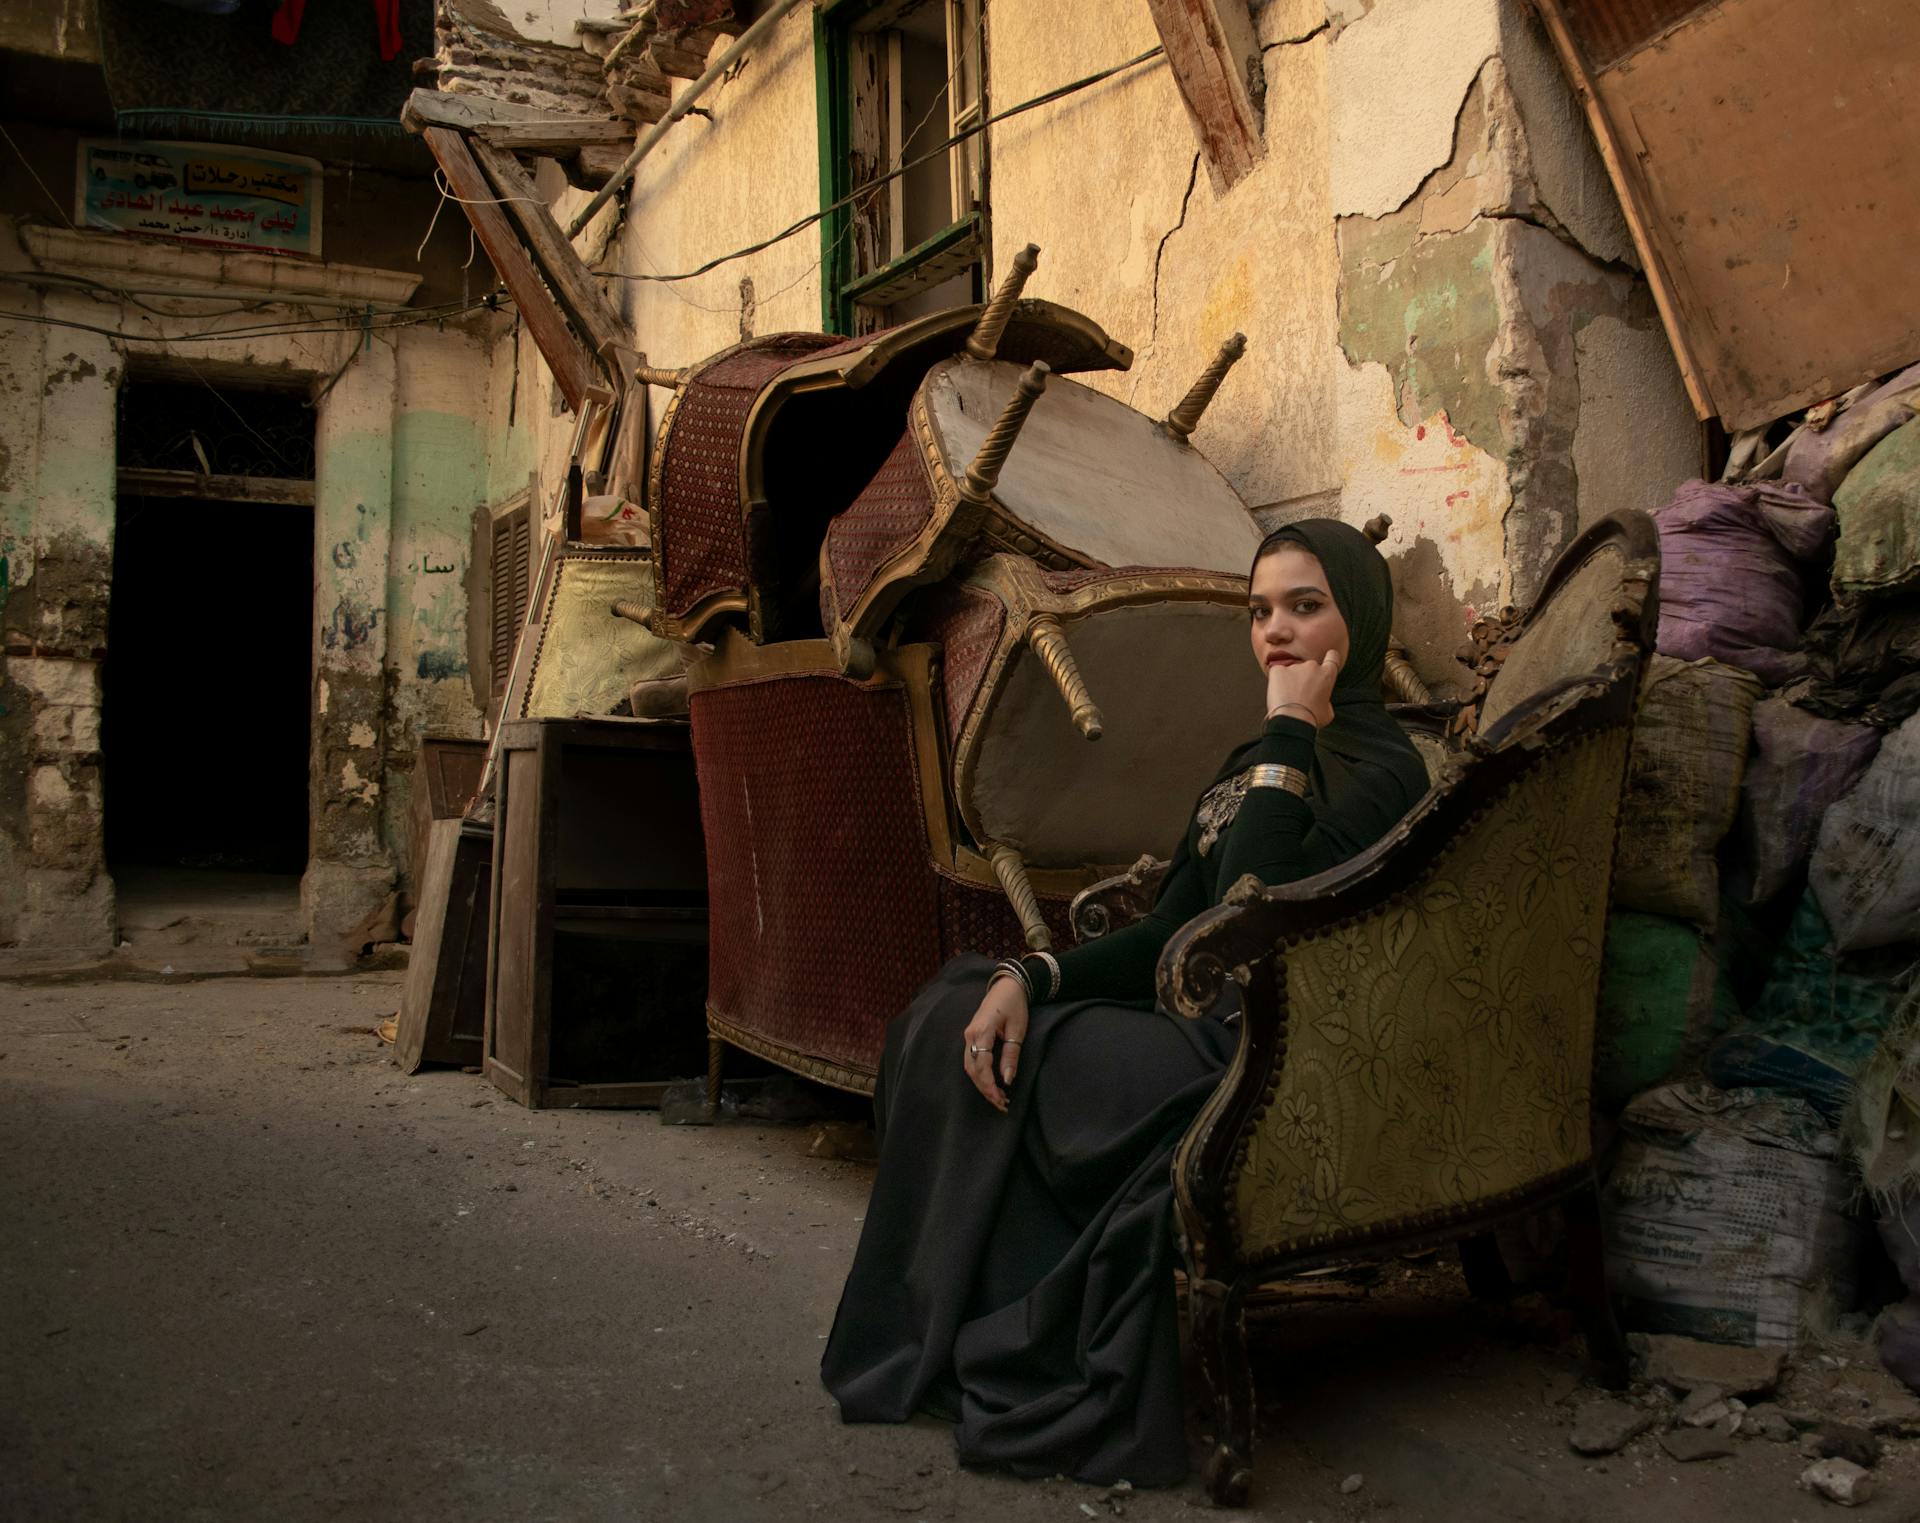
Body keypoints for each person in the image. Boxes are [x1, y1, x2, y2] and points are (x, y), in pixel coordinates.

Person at [821, 519, 1431, 1486]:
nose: (1275, 632)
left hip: (1262, 1056)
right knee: (958, 1001)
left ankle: (1011, 1339)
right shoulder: (1248, 762)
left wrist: (1289, 735)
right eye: (1260, 611)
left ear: (1356, 614)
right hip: (1189, 1023)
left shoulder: (1388, 768)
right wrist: (1034, 974)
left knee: (1045, 1061)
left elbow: (1251, 917)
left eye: (1304, 607)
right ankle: (941, 1329)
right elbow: (1172, 931)